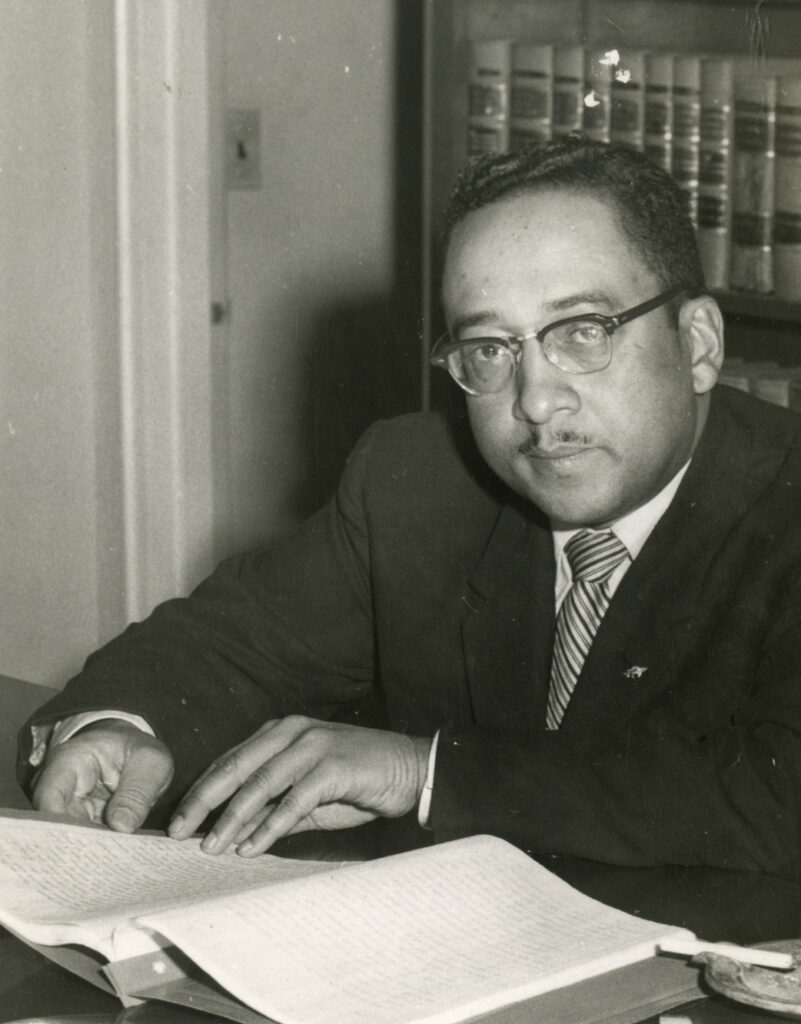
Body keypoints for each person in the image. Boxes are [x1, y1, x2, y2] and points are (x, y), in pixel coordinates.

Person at [18, 137, 801, 936]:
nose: (534, 401)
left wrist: (420, 771)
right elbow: (228, 646)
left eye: (582, 331)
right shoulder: (417, 480)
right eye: (489, 350)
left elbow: (778, 795)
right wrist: (118, 726)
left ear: (699, 343)